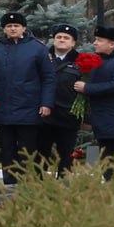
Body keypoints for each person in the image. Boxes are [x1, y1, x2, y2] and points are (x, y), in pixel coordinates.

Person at [0, 12, 54, 184]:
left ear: (24, 28)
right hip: (3, 108)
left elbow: (48, 78)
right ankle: (10, 183)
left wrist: (46, 103)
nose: (13, 29)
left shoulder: (37, 49)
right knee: (7, 149)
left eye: (16, 26)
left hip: (29, 107)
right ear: (4, 29)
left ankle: (29, 182)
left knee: (28, 149)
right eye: (9, 26)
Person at [76, 26, 114, 166]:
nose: (94, 43)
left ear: (112, 44)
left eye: (99, 40)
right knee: (106, 164)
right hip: (102, 124)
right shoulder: (99, 60)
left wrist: (87, 88)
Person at [42, 23, 82, 175]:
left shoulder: (81, 61)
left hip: (68, 116)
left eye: (66, 38)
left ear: (73, 42)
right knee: (40, 154)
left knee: (66, 156)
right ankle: (38, 187)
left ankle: (64, 188)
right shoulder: (43, 57)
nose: (62, 40)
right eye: (58, 37)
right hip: (45, 116)